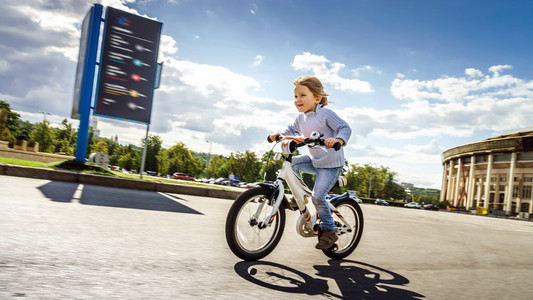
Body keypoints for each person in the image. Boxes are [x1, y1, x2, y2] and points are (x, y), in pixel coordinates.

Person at [269, 76, 351, 250]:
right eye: (295, 96)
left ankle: (329, 231)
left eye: (302, 95)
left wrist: (338, 140)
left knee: (318, 197)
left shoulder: (325, 114)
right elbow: (290, 130)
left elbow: (344, 128)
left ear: (317, 98)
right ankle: (299, 195)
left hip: (330, 165)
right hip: (315, 161)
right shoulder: (301, 118)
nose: (298, 100)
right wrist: (279, 135)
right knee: (293, 164)